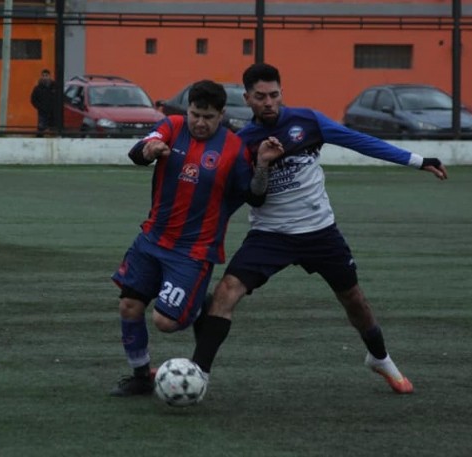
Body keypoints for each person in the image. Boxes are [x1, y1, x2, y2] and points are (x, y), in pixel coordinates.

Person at [191, 63, 449, 395]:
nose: (268, 102)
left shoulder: (307, 121)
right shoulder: (243, 143)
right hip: (270, 235)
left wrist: (417, 160)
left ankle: (380, 357)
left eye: (274, 94)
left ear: (282, 93)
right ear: (247, 99)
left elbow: (358, 141)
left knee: (354, 299)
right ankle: (198, 374)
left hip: (320, 232)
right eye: (260, 96)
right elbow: (240, 199)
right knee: (226, 292)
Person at [109, 80, 284, 396]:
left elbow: (255, 197)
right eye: (195, 114)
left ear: (221, 115)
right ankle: (140, 376)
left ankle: (201, 308)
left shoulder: (233, 148)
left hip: (193, 251)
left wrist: (262, 166)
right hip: (151, 240)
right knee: (128, 306)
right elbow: (139, 152)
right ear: (186, 110)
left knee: (165, 321)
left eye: (208, 117)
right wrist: (148, 150)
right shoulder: (172, 127)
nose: (200, 123)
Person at [30, 69, 57, 136]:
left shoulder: (55, 86)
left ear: (49, 76)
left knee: (53, 131)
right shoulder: (37, 88)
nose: (45, 77)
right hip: (42, 113)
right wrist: (40, 107)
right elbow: (33, 99)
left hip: (53, 113)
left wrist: (55, 107)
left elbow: (59, 98)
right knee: (40, 130)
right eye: (43, 75)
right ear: (41, 76)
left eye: (46, 75)